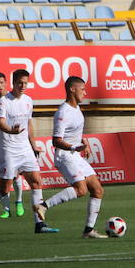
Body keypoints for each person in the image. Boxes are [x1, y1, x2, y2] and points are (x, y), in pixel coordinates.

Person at [0, 69, 59, 235]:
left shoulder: (28, 100)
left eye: (26, 83)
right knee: (4, 189)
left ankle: (39, 224)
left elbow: (29, 125)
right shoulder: (3, 102)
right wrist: (10, 132)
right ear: (13, 83)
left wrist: (33, 145)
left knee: (36, 181)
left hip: (24, 148)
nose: (23, 86)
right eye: (20, 82)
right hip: (7, 149)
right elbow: (0, 123)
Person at [35, 77, 108, 239]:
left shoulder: (77, 109)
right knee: (81, 190)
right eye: (82, 89)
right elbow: (56, 140)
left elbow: (76, 132)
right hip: (64, 156)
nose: (85, 92)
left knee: (97, 190)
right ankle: (43, 206)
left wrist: (84, 142)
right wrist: (74, 147)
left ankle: (89, 230)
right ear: (72, 89)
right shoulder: (63, 112)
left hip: (75, 155)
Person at [0, 72, 25, 219]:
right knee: (3, 178)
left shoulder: (12, 99)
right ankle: (6, 209)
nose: (0, 86)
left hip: (14, 145)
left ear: (6, 83)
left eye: (2, 82)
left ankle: (19, 201)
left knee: (16, 176)